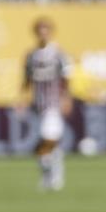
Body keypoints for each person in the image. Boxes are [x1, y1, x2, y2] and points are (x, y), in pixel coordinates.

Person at [23, 17, 71, 192]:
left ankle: (52, 174)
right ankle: (51, 173)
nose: (43, 33)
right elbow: (26, 80)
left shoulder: (58, 53)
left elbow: (66, 78)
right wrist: (21, 99)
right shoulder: (31, 55)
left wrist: (67, 98)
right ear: (36, 32)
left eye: (46, 29)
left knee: (46, 141)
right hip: (37, 106)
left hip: (53, 105)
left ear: (51, 32)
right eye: (40, 29)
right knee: (47, 143)